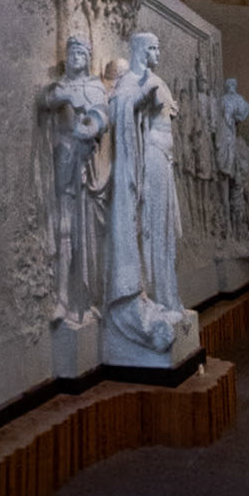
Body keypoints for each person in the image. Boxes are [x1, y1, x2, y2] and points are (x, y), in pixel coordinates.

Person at [105, 31, 188, 350]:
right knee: (152, 227)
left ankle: (168, 295)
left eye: (158, 47)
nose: (157, 53)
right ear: (140, 50)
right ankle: (153, 292)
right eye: (152, 48)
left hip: (164, 161)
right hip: (149, 159)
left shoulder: (156, 80)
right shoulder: (131, 82)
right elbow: (119, 111)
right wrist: (140, 99)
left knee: (164, 229)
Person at [41, 37, 110, 325]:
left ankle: (85, 297)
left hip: (87, 166)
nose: (76, 57)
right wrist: (65, 97)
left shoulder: (95, 87)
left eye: (81, 53)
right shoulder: (59, 86)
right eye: (72, 53)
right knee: (64, 228)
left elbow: (102, 118)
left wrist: (91, 124)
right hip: (64, 159)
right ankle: (62, 298)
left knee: (85, 234)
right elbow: (45, 100)